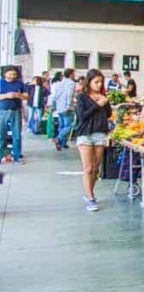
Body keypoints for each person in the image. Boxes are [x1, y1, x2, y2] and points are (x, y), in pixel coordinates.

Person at [75, 70, 112, 213]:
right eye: (96, 82)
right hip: (85, 134)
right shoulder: (82, 97)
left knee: (96, 169)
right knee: (88, 168)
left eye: (101, 82)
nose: (99, 84)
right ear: (89, 82)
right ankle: (90, 197)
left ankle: (89, 192)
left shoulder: (103, 96)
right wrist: (98, 104)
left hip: (100, 133)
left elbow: (108, 114)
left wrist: (105, 102)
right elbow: (82, 116)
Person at [0, 67, 29, 164]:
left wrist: (18, 95)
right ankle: (1, 155)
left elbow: (26, 96)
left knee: (16, 135)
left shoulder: (20, 83)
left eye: (14, 74)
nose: (12, 76)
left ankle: (17, 156)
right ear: (5, 74)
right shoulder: (1, 83)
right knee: (1, 135)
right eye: (10, 74)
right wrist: (6, 96)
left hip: (16, 111)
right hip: (2, 111)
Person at [49, 68, 77, 151]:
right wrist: (69, 105)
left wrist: (54, 105)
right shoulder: (71, 83)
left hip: (59, 106)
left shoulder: (59, 83)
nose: (74, 75)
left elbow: (55, 95)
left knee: (61, 125)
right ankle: (58, 138)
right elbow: (70, 95)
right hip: (66, 107)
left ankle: (62, 143)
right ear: (71, 74)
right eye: (74, 73)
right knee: (69, 125)